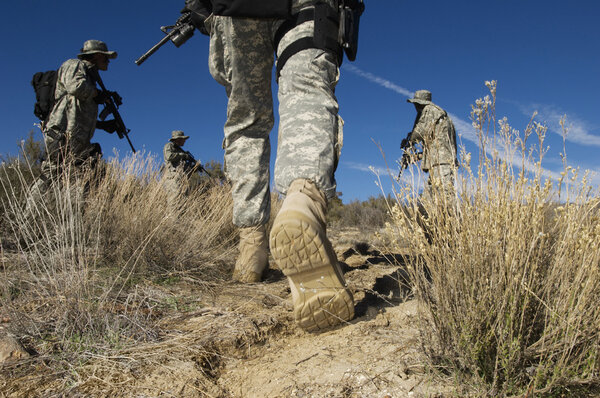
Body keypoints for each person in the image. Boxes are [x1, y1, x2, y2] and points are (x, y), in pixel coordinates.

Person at [182, 0, 355, 331]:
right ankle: (302, 203)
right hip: (306, 6)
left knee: (247, 123)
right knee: (307, 88)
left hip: (235, 8)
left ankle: (252, 252)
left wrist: (203, 12)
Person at [41, 39, 119, 179]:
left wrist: (102, 125)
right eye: (106, 57)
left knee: (76, 179)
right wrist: (98, 94)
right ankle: (30, 201)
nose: (108, 61)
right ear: (97, 55)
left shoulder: (91, 78)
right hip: (62, 134)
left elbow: (79, 113)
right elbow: (74, 87)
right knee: (51, 174)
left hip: (78, 140)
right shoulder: (75, 64)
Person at [403, 90, 458, 202]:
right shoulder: (441, 117)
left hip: (441, 165)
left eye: (416, 104)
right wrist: (415, 157)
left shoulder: (430, 110)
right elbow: (436, 147)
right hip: (439, 163)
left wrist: (409, 140)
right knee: (429, 203)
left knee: (444, 202)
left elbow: (419, 133)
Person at [162, 130, 200, 194]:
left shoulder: (179, 150)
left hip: (182, 179)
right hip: (173, 178)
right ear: (178, 139)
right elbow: (169, 156)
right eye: (183, 139)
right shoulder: (169, 145)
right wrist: (184, 155)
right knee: (174, 201)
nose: (184, 141)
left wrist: (194, 168)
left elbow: (185, 169)